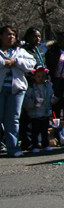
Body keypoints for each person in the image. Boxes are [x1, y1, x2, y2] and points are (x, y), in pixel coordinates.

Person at [1, 26, 36, 157]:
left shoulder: (19, 51)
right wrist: (3, 62)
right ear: (1, 36)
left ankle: (13, 148)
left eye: (13, 35)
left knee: (13, 119)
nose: (11, 37)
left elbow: (31, 63)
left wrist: (15, 61)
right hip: (1, 90)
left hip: (16, 90)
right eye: (8, 34)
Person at [44, 30, 64, 144]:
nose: (59, 42)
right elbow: (49, 67)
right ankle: (56, 134)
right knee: (56, 109)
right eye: (58, 40)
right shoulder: (53, 52)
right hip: (58, 82)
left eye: (61, 40)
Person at [23, 66, 55, 153]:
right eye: (38, 76)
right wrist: (33, 102)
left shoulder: (48, 86)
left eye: (43, 76)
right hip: (34, 113)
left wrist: (53, 100)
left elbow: (51, 96)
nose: (41, 78)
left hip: (45, 112)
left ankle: (45, 145)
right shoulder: (31, 88)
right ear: (34, 77)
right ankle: (35, 145)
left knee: (45, 130)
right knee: (35, 131)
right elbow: (26, 101)